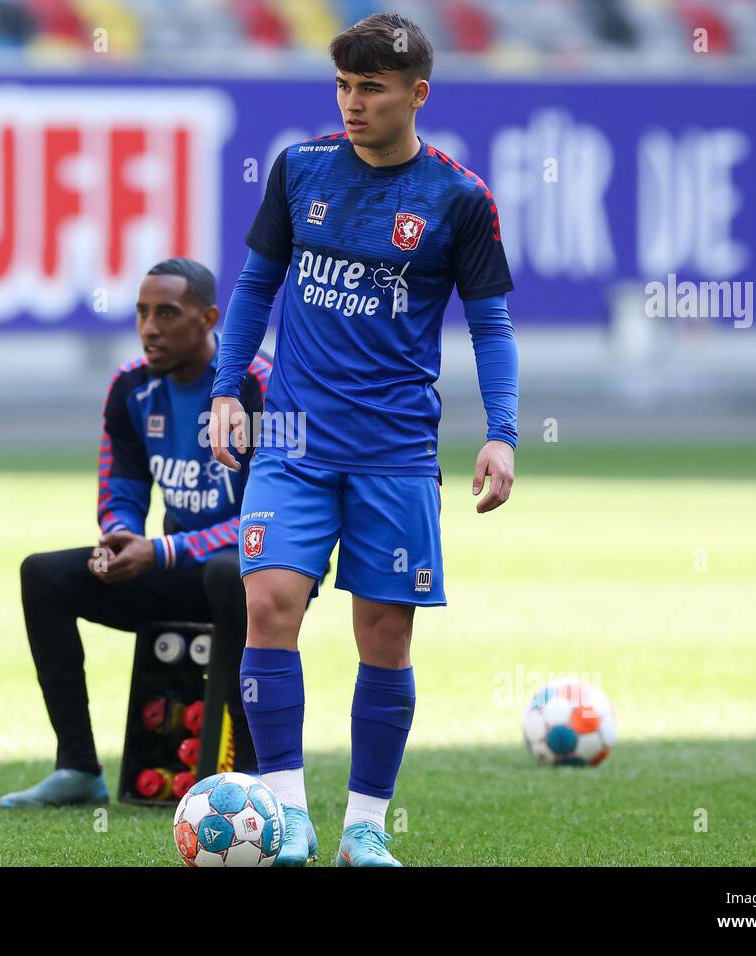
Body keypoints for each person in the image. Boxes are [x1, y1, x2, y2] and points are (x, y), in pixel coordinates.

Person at [206, 12, 520, 865]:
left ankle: (365, 829)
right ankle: (286, 817)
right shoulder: (300, 168)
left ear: (416, 94)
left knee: (384, 634)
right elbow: (254, 285)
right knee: (268, 603)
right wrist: (229, 387)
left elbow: (490, 328)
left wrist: (502, 434)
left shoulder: (459, 198)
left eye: (370, 89)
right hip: (296, 438)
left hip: (396, 450)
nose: (352, 103)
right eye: (343, 86)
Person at [0, 258, 270, 807]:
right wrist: (120, 536)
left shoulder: (260, 385)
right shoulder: (130, 387)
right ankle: (77, 767)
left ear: (209, 318)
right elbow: (118, 486)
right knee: (44, 575)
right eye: (142, 312)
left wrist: (164, 550)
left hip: (263, 572)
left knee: (226, 573)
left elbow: (270, 519)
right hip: (175, 568)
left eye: (167, 313)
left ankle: (252, 778)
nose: (149, 327)